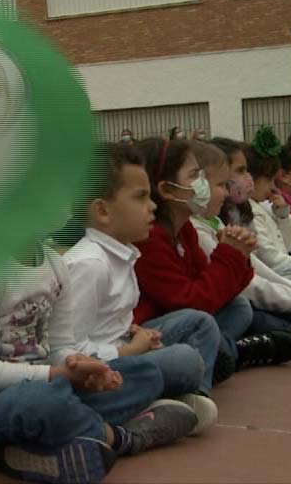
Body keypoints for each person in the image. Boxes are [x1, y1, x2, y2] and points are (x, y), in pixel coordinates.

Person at [0, 238, 196, 484]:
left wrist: (81, 367)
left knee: (144, 371)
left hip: (50, 388)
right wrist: (58, 376)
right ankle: (122, 437)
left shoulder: (53, 264)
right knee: (41, 400)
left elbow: (60, 346)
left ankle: (28, 448)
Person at [65, 142, 219, 432]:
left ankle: (189, 399)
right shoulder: (89, 265)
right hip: (101, 371)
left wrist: (137, 334)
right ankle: (150, 408)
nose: (152, 207)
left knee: (199, 323)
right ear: (103, 211)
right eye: (141, 198)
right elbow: (69, 352)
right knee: (184, 359)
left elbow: (112, 322)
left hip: (123, 352)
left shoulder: (124, 253)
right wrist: (130, 351)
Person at [132, 138, 291, 382]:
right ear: (166, 189)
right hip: (159, 328)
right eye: (194, 175)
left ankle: (230, 352)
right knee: (201, 325)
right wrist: (230, 254)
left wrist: (240, 256)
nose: (213, 188)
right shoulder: (152, 238)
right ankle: (212, 374)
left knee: (239, 307)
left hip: (192, 318)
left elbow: (225, 285)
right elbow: (194, 302)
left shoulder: (184, 228)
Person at [189, 140, 291, 352]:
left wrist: (283, 217)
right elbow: (253, 282)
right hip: (236, 303)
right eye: (222, 184)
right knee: (253, 315)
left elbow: (259, 269)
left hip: (255, 295)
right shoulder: (200, 227)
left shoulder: (218, 219)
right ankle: (231, 351)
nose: (226, 191)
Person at [241, 128, 291, 282]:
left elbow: (284, 246)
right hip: (276, 276)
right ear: (251, 179)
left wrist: (283, 215)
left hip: (284, 272)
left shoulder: (263, 207)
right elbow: (270, 258)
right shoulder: (248, 211)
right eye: (268, 180)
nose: (273, 187)